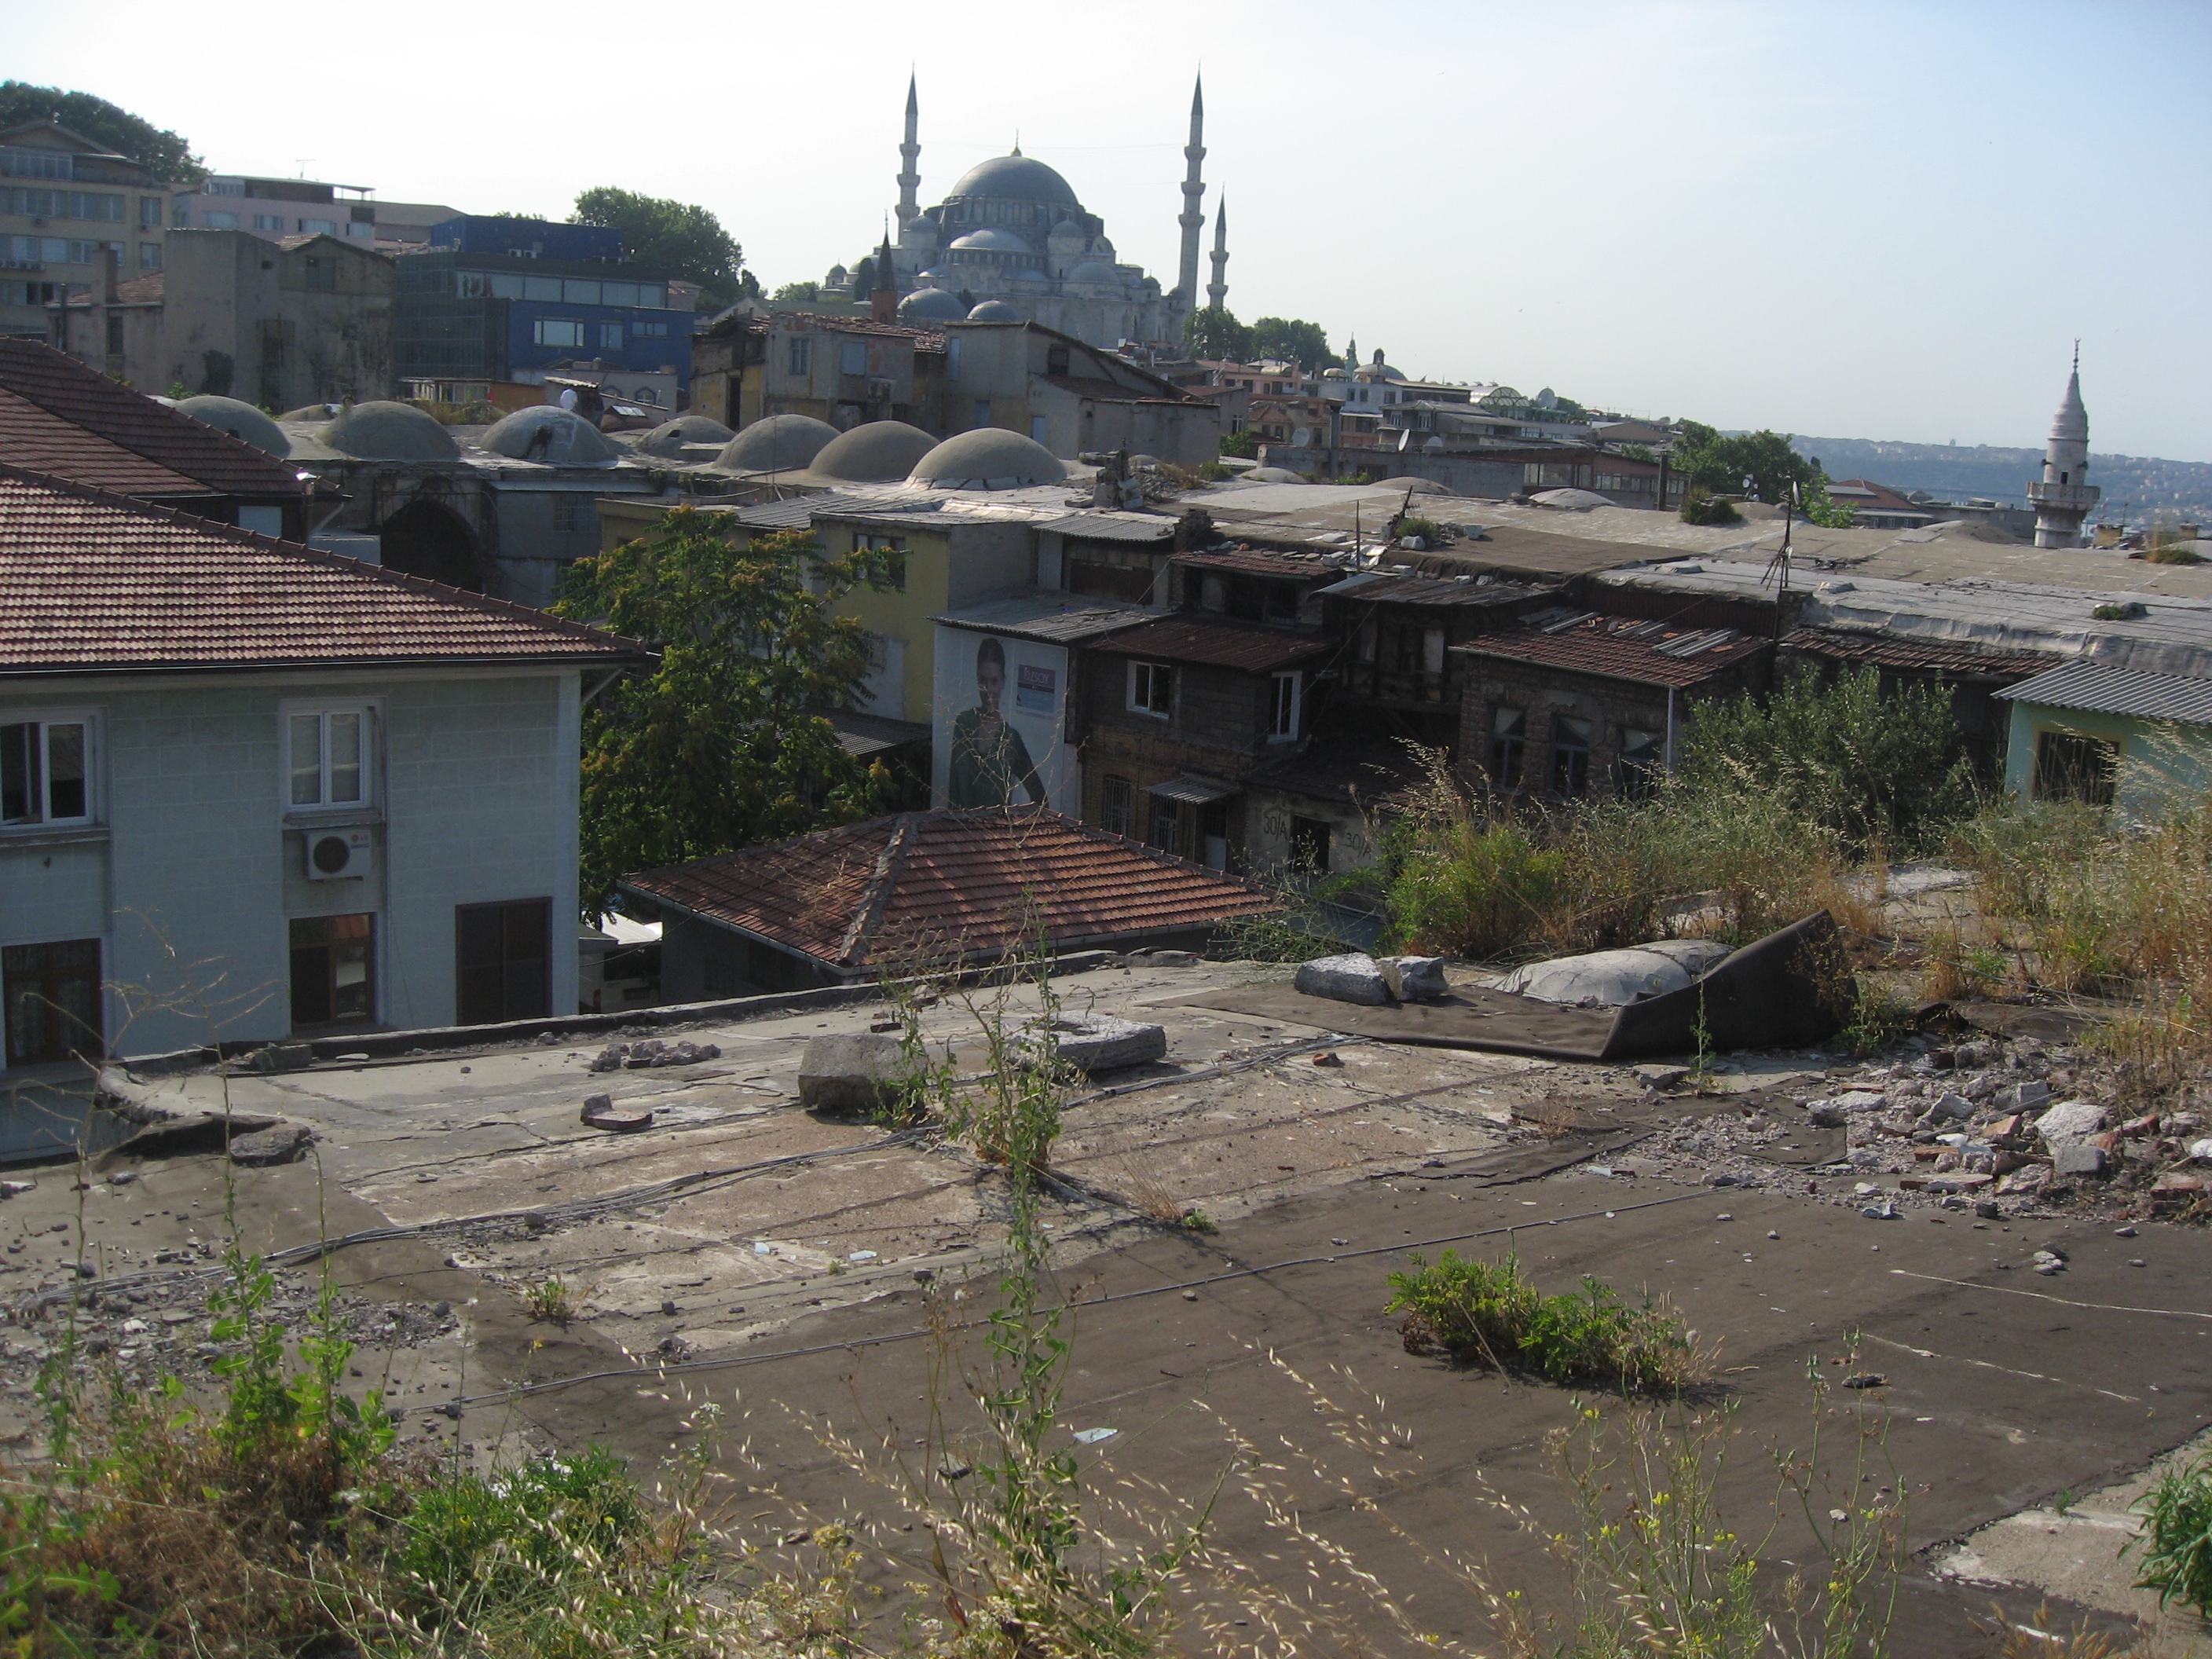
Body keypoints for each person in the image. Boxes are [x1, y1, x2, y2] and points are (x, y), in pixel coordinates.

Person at [947, 635, 1044, 808]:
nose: (988, 689)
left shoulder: (1011, 738)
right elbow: (955, 788)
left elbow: (1040, 798)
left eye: (994, 681)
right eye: (983, 680)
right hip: (960, 823)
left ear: (1003, 682)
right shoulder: (964, 723)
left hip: (996, 825)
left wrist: (1016, 820)